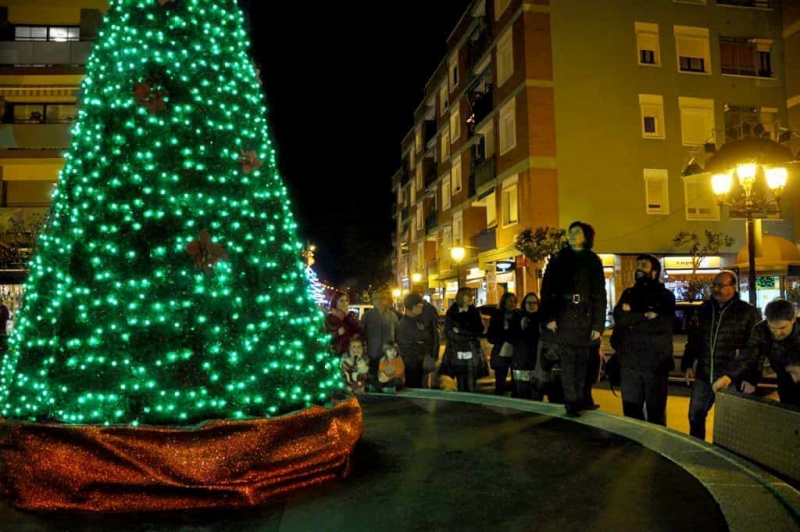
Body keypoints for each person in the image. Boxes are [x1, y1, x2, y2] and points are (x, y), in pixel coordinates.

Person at [681, 270, 760, 440]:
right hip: (704, 374)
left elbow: (754, 349)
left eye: (721, 285)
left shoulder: (747, 312)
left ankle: (727, 457)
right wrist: (687, 364)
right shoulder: (703, 310)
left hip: (732, 376)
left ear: (733, 287)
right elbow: (693, 340)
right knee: (695, 415)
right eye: (714, 285)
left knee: (730, 423)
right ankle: (697, 450)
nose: (716, 289)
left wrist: (751, 377)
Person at [540, 221, 607, 417]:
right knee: (568, 362)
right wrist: (550, 316)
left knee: (583, 362)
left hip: (585, 317)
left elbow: (600, 294)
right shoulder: (559, 258)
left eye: (577, 232)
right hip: (564, 314)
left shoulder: (593, 260)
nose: (572, 235)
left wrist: (598, 324)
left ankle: (580, 398)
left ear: (586, 236)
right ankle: (571, 401)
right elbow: (547, 290)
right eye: (571, 232)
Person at [612, 254, 675, 426]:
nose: (638, 268)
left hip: (655, 365)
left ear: (654, 272)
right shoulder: (629, 293)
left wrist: (631, 320)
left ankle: (657, 449)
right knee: (631, 413)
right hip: (630, 364)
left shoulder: (665, 296)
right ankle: (634, 450)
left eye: (643, 265)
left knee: (656, 413)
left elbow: (663, 325)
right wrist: (646, 316)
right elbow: (619, 318)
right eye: (637, 265)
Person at [713, 298, 800, 407]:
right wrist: (728, 377)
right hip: (785, 383)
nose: (777, 333)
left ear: (793, 319)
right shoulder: (761, 330)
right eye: (772, 328)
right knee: (791, 415)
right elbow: (749, 356)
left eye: (782, 328)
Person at [441, 286, 485, 392]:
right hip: (457, 349)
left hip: (471, 349)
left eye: (472, 295)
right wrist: (466, 336)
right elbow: (449, 332)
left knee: (471, 378)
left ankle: (470, 402)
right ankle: (463, 402)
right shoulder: (452, 312)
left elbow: (479, 330)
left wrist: (461, 331)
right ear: (461, 296)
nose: (471, 297)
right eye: (468, 295)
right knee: (460, 377)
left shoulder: (474, 311)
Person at [361, 290, 400, 381]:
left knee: (388, 380)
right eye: (377, 298)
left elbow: (398, 334)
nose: (380, 300)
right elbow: (362, 335)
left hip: (389, 356)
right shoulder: (367, 316)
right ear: (373, 301)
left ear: (386, 300)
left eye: (382, 298)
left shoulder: (393, 316)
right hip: (373, 355)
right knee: (373, 380)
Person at [509, 292, 541, 399]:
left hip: (538, 361)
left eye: (534, 302)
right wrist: (522, 327)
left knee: (537, 391)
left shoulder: (542, 319)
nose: (532, 305)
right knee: (522, 392)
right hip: (521, 362)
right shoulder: (517, 318)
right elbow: (512, 337)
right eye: (529, 302)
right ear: (524, 304)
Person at [487, 292, 518, 396]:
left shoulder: (518, 315)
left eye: (514, 302)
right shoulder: (497, 316)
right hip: (501, 352)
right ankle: (499, 400)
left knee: (516, 381)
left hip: (516, 352)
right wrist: (503, 338)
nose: (512, 304)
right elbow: (490, 337)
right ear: (504, 302)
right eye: (510, 301)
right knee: (500, 381)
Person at [411, 284, 442, 388]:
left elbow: (436, 332)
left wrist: (434, 352)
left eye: (419, 292)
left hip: (426, 351)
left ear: (423, 293)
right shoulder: (409, 308)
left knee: (424, 381)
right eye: (414, 292)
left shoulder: (430, 310)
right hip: (412, 352)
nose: (417, 295)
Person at [396, 292, 427, 388]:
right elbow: (406, 346)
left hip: (417, 362)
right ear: (411, 307)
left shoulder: (417, 320)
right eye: (419, 306)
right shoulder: (405, 324)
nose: (421, 308)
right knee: (413, 387)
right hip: (411, 364)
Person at [323, 291, 363, 356]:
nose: (345, 303)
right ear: (335, 303)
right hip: (335, 354)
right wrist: (337, 333)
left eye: (346, 300)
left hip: (349, 354)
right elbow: (325, 336)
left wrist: (348, 316)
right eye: (341, 301)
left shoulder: (349, 316)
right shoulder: (329, 318)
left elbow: (358, 330)